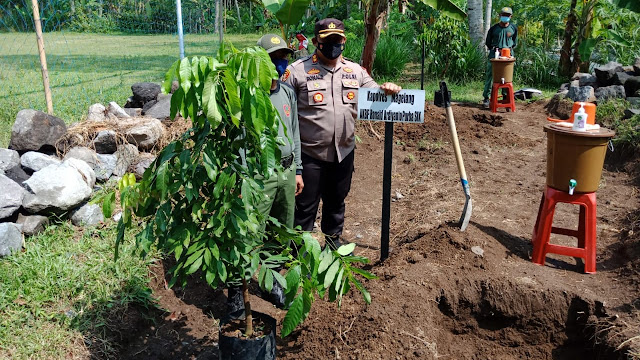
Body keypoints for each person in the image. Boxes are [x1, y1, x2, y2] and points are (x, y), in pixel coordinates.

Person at [282, 18, 402, 250]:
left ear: (344, 41)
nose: (333, 45)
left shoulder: (354, 71)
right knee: (304, 209)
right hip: (309, 155)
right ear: (317, 41)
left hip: (343, 153)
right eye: (328, 40)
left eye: (338, 40)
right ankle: (299, 256)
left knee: (336, 205)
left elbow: (375, 93)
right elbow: (283, 112)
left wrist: (388, 88)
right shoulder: (297, 71)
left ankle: (332, 248)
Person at [228, 34, 303, 312]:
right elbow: (240, 141)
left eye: (283, 57)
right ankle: (238, 289)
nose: (280, 64)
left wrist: (297, 171)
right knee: (250, 234)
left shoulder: (287, 94)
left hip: (285, 173)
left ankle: (272, 282)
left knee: (280, 231)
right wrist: (242, 177)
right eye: (273, 58)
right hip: (259, 175)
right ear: (259, 61)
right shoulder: (248, 96)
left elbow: (294, 133)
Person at [482, 7, 518, 109]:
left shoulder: (513, 28)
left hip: (508, 55)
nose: (505, 17)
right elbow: (488, 42)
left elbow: (515, 42)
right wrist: (495, 50)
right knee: (490, 76)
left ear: (511, 16)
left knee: (506, 77)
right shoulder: (494, 29)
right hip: (495, 54)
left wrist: (508, 50)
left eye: (507, 15)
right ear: (499, 15)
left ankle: (506, 98)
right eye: (503, 15)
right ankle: (486, 98)